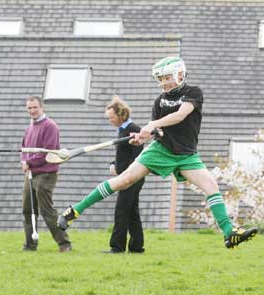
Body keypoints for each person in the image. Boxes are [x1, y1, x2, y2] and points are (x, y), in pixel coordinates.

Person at [58, 56, 258, 249]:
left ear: (180, 74)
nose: (164, 82)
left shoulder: (193, 92)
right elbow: (158, 132)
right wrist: (142, 136)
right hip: (161, 149)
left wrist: (152, 124)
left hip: (187, 154)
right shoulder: (159, 101)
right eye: (161, 79)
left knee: (211, 186)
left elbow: (180, 115)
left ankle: (229, 232)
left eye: (167, 77)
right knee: (124, 180)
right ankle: (75, 210)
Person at [21, 96, 71, 253]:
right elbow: (23, 149)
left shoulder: (50, 126)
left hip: (46, 174)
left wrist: (29, 163)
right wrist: (23, 161)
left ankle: (64, 243)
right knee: (28, 209)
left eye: (35, 107)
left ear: (41, 107)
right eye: (29, 108)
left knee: (46, 210)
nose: (32, 111)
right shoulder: (29, 128)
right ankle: (30, 245)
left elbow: (47, 152)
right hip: (31, 173)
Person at [105, 96, 145, 254]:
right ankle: (136, 247)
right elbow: (121, 155)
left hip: (132, 177)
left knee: (121, 210)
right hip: (126, 176)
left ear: (121, 115)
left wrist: (120, 170)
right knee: (132, 212)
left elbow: (137, 157)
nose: (110, 121)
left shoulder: (132, 130)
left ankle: (117, 247)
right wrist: (113, 165)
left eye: (112, 117)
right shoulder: (122, 131)